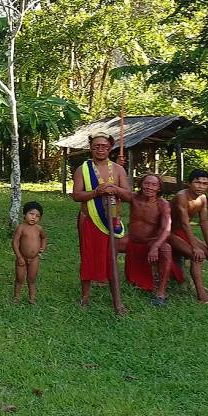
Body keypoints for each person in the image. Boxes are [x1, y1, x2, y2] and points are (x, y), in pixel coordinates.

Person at [70, 132, 129, 309]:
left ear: (110, 148)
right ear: (91, 148)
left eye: (104, 146)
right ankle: (85, 297)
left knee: (111, 257)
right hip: (89, 219)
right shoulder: (83, 169)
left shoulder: (118, 170)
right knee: (88, 256)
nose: (100, 149)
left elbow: (128, 195)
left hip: (112, 220)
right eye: (96, 146)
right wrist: (96, 192)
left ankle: (117, 300)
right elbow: (76, 195)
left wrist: (114, 189)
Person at [109, 174, 174, 306]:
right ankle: (108, 279)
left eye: (154, 185)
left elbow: (166, 228)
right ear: (141, 184)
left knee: (166, 249)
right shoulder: (134, 198)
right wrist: (107, 184)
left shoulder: (163, 204)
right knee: (112, 245)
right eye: (147, 183)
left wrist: (156, 246)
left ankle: (161, 293)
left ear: (159, 188)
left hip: (151, 241)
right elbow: (114, 189)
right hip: (132, 240)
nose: (149, 187)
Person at [170, 170, 208, 303]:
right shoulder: (181, 196)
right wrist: (195, 247)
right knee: (197, 256)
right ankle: (202, 296)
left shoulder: (203, 198)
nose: (201, 186)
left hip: (183, 232)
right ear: (189, 184)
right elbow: (184, 223)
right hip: (169, 232)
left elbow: (204, 222)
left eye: (204, 183)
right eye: (197, 182)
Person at [12, 201, 47, 304]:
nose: (34, 217)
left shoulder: (39, 229)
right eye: (31, 214)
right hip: (22, 257)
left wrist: (42, 247)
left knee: (32, 279)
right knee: (19, 278)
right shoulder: (21, 228)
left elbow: (44, 238)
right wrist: (19, 256)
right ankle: (16, 297)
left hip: (34, 258)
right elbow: (15, 242)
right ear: (24, 214)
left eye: (37, 216)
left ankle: (32, 298)